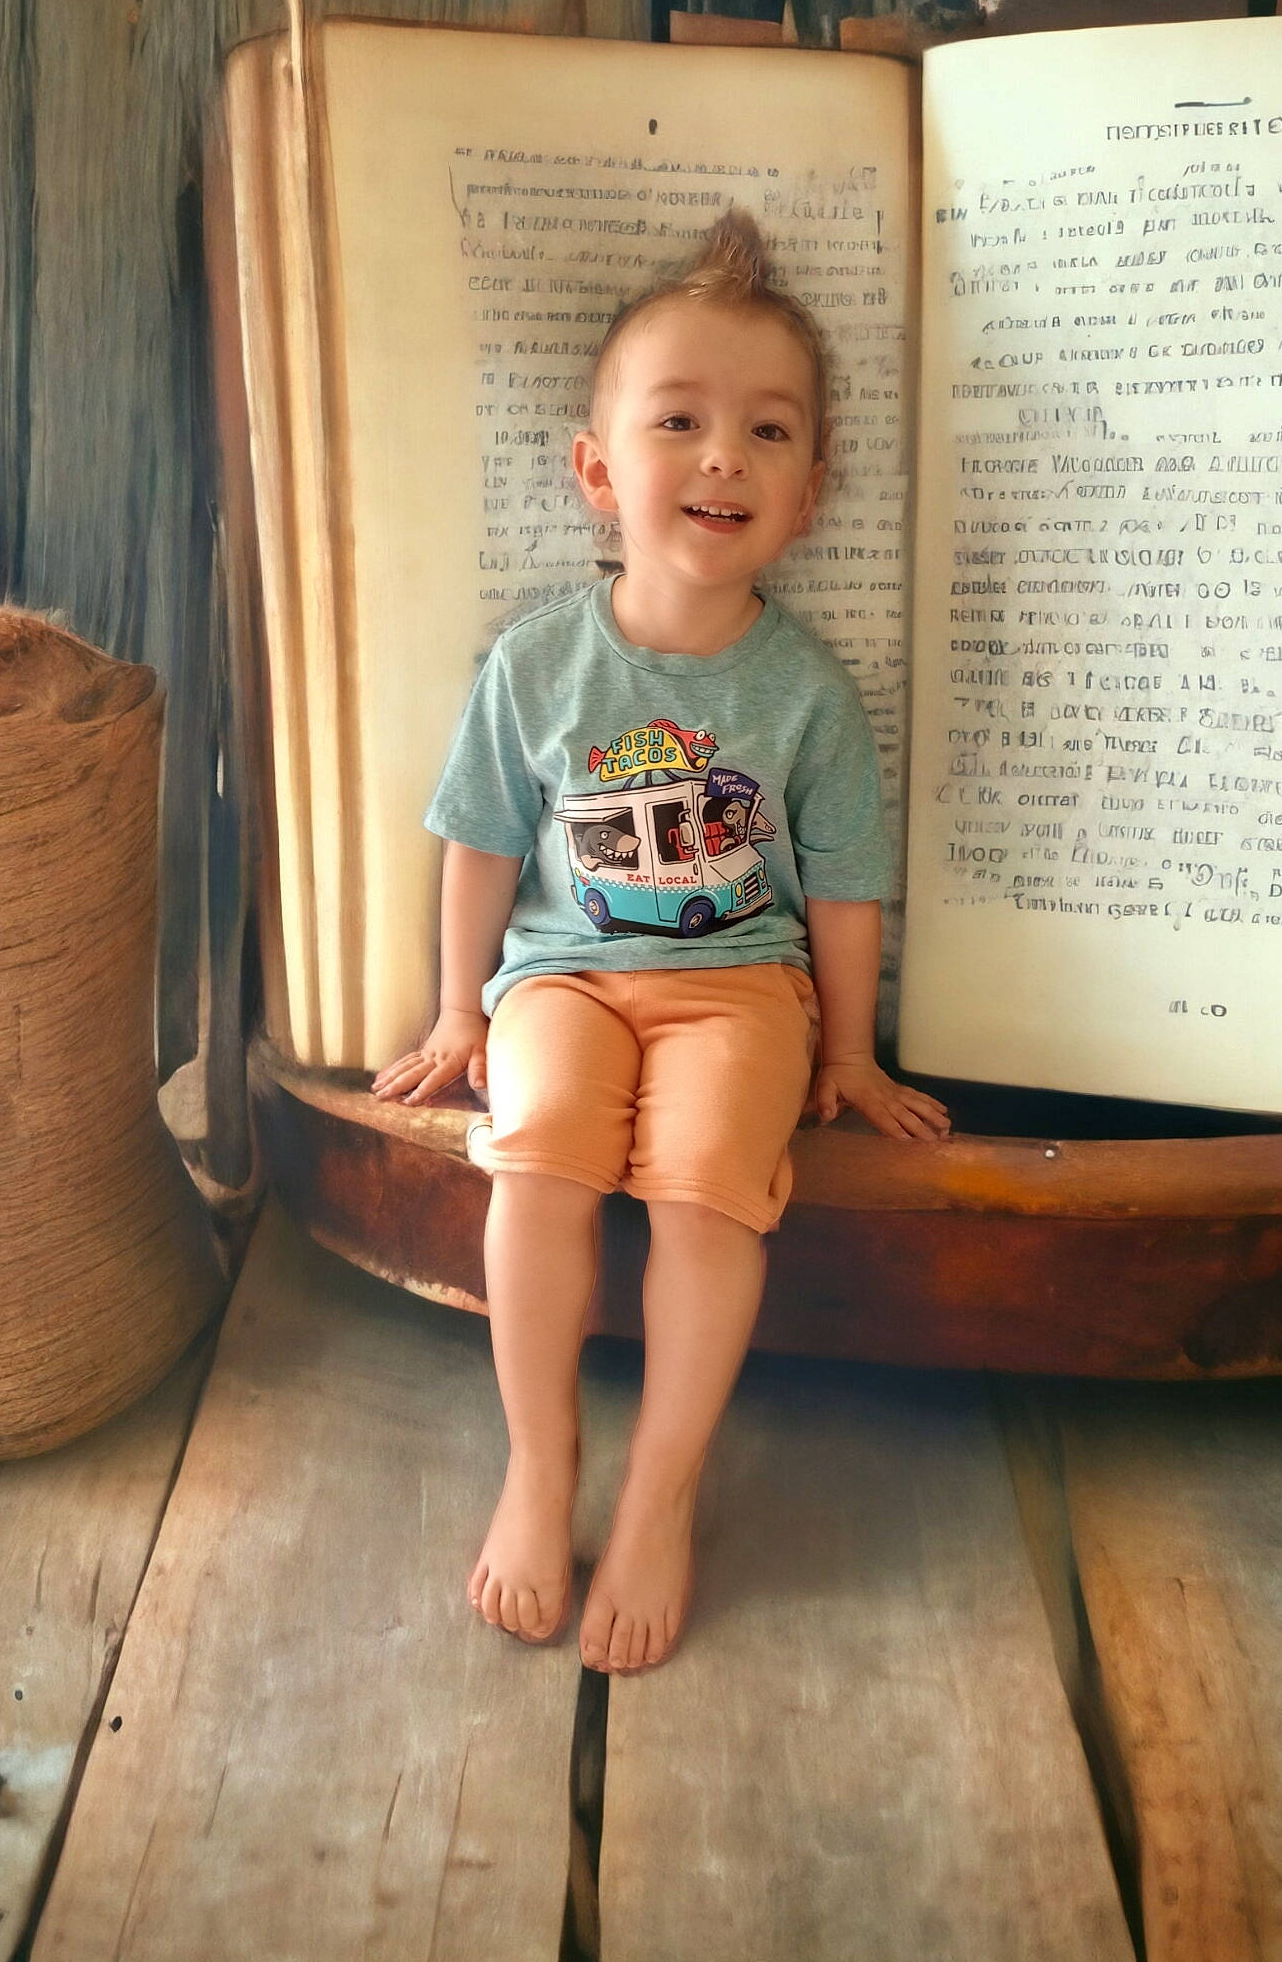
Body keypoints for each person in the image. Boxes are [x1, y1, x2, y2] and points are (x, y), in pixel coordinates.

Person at [372, 211, 950, 1674]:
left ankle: (661, 1492)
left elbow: (845, 881)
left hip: (738, 985)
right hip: (561, 971)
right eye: (679, 420)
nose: (721, 458)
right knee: (543, 1142)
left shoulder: (808, 694)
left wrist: (854, 1045)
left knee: (706, 1189)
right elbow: (483, 841)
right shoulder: (538, 662)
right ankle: (539, 1462)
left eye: (767, 434)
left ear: (810, 494)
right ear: (598, 469)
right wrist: (458, 1012)